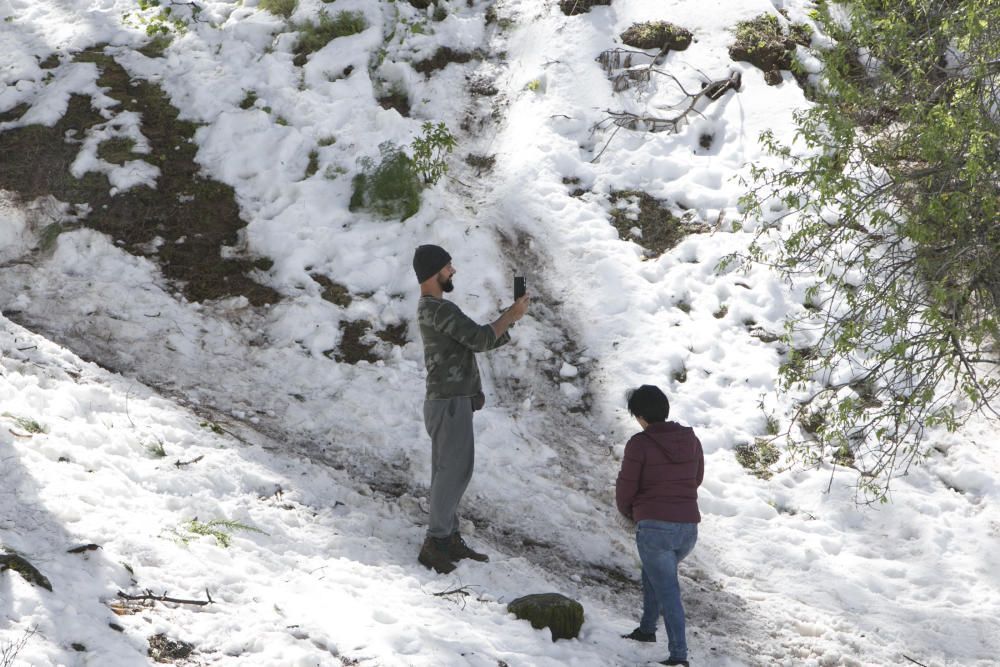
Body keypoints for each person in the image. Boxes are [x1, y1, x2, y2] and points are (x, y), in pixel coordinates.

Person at [412, 244, 529, 574]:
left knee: (449, 471)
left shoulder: (434, 309)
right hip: (448, 402)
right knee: (453, 472)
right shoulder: (438, 310)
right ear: (435, 272)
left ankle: (447, 536)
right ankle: (436, 541)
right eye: (448, 267)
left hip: (449, 400)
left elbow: (475, 342)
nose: (453, 272)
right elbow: (479, 339)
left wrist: (511, 319)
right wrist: (512, 316)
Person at [615, 384, 704, 667]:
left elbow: (626, 487)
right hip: (688, 528)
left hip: (655, 529)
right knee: (655, 575)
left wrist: (631, 512)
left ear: (640, 415)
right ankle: (647, 629)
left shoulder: (639, 444)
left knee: (668, 590)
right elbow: (697, 477)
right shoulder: (690, 439)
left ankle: (679, 655)